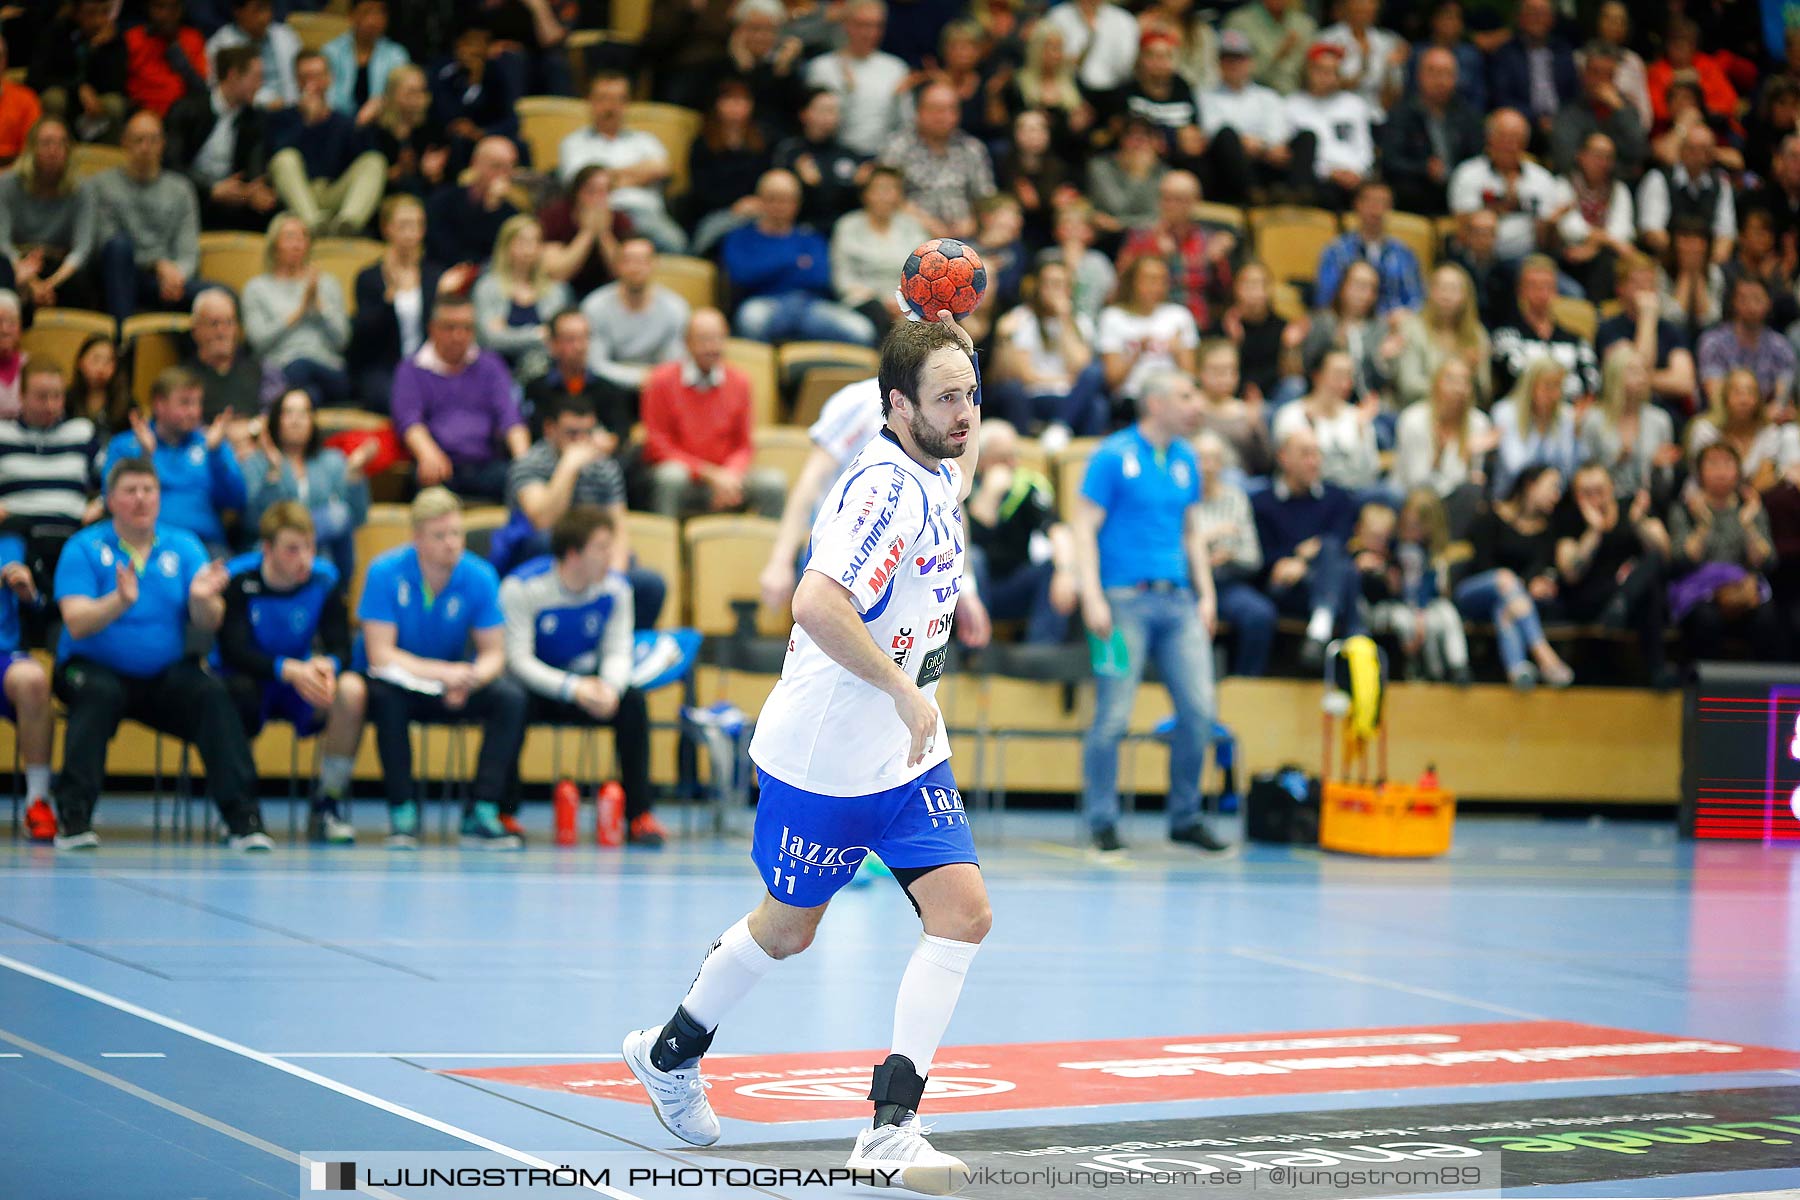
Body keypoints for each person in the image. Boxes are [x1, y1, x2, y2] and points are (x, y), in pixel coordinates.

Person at [623, 315, 991, 1192]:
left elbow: (962, 456)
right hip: (827, 759)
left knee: (965, 914)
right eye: (948, 397)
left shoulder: (937, 463)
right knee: (787, 932)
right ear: (896, 405)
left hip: (906, 759)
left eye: (971, 394)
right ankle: (669, 1054)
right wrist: (902, 688)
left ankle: (891, 1128)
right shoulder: (884, 490)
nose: (966, 412)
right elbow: (815, 600)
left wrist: (958, 338)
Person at [50, 458, 271, 851]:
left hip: (161, 674)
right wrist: (118, 601)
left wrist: (203, 600)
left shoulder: (183, 544)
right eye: (130, 491)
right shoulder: (84, 547)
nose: (141, 499)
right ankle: (73, 818)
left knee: (211, 694)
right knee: (99, 693)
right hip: (90, 668)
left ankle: (243, 820)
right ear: (110, 500)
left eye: (148, 490)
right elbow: (76, 623)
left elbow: (210, 621)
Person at [1071, 370, 1223, 855]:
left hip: (1178, 603)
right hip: (1122, 604)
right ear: (1155, 404)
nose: (1195, 404)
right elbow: (1082, 527)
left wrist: (1208, 593)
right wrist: (1092, 595)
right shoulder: (1113, 454)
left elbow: (1192, 531)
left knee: (1199, 713)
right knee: (1113, 716)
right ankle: (1102, 819)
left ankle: (1185, 816)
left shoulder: (1185, 459)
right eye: (1185, 394)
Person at [359, 486, 530, 849]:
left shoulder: (480, 575)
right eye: (440, 536)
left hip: (455, 685)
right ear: (417, 538)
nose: (451, 543)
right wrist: (442, 673)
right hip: (404, 683)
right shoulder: (385, 571)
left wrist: (471, 679)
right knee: (384, 699)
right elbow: (380, 654)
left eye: (456, 534)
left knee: (510, 698)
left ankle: (482, 810)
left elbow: (493, 654)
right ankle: (402, 811)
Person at [500, 504, 665, 846]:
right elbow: (517, 660)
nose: (613, 556)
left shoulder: (617, 589)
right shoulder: (522, 588)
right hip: (541, 686)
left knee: (632, 701)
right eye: (602, 548)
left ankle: (640, 816)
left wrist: (610, 689)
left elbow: (618, 650)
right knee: (509, 700)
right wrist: (571, 688)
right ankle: (505, 812)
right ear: (573, 554)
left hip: (590, 687)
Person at [218, 501, 367, 844]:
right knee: (229, 693)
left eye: (310, 547)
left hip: (300, 683)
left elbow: (341, 647)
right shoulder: (239, 578)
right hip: (251, 679)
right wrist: (287, 669)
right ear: (267, 549)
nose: (304, 558)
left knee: (352, 691)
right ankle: (239, 810)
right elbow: (234, 650)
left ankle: (327, 803)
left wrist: (327, 665)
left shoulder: (324, 578)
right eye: (292, 549)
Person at [502, 384, 664, 629]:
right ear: (550, 430)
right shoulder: (529, 464)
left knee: (650, 584)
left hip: (592, 565)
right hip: (540, 566)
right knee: (545, 540)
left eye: (587, 433)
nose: (580, 441)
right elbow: (543, 520)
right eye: (572, 433)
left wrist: (615, 579)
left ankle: (618, 652)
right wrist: (569, 467)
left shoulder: (604, 468)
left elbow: (617, 530)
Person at [641, 309, 785, 519]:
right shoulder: (661, 381)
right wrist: (709, 474)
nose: (711, 347)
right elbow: (657, 445)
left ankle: (773, 551)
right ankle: (666, 546)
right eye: (703, 340)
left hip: (726, 476)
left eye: (718, 339)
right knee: (670, 477)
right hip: (687, 479)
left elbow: (743, 444)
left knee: (773, 484)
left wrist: (730, 476)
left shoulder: (740, 382)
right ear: (687, 343)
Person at [391, 293, 529, 502]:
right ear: (432, 329)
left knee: (523, 484)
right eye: (450, 327)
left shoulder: (491, 365)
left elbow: (510, 417)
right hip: (440, 465)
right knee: (424, 481)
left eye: (466, 328)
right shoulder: (412, 369)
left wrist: (524, 465)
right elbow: (409, 420)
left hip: (486, 465)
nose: (459, 335)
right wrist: (427, 453)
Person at [1452, 464, 1575, 689]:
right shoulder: (1491, 515)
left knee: (1506, 608)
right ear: (1530, 485)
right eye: (1552, 487)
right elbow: (1482, 564)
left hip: (1512, 601)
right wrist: (1522, 584)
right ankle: (1543, 654)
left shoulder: (1548, 530)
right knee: (1504, 579)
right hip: (1472, 593)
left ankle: (1518, 671)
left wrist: (1541, 583)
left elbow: (1541, 569)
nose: (1556, 495)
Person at [1555, 461, 1675, 688]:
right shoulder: (1570, 518)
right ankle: (1657, 668)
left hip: (1630, 595)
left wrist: (1638, 523)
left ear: (1611, 488)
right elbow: (1570, 573)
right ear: (1576, 496)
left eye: (1599, 490)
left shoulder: (1631, 508)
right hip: (1590, 597)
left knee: (1652, 570)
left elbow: (1665, 555)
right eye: (1586, 493)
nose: (1595, 498)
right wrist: (1594, 531)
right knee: (1647, 592)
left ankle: (1623, 602)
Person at [721, 170, 876, 346]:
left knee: (861, 330)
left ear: (797, 204)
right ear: (760, 200)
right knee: (751, 320)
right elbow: (741, 274)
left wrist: (766, 267)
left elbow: (820, 277)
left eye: (787, 199)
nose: (780, 205)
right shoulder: (740, 237)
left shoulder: (811, 238)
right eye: (773, 198)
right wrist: (794, 262)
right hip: (764, 302)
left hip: (810, 306)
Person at [1252, 425, 1363, 668]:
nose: (1314, 462)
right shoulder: (1262, 502)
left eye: (1317, 454)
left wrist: (1303, 559)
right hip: (1286, 586)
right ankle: (1357, 640)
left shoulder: (1338, 498)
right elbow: (1262, 556)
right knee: (1345, 571)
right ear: (1283, 458)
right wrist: (1296, 559)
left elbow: (1341, 542)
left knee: (1335, 553)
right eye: (1305, 454)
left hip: (1322, 579)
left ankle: (1320, 628)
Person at [101, 368, 245, 555]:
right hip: (145, 543)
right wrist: (145, 456)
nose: (194, 411)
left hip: (205, 545)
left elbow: (237, 501)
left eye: (197, 403)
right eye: (185, 403)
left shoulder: (211, 443)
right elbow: (110, 499)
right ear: (159, 404)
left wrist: (215, 455)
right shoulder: (127, 444)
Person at [1668, 442, 1788, 662]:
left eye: (1727, 464)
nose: (1721, 471)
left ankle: (1758, 689)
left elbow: (1766, 561)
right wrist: (1703, 524)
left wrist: (1748, 525)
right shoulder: (1684, 509)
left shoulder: (1750, 508)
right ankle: (1703, 688)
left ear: (1738, 471)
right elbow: (1682, 559)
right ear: (1700, 472)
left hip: (1742, 590)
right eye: (1713, 464)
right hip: (1700, 591)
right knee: (1706, 620)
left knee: (1767, 617)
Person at [244, 387, 373, 581]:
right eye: (289, 413)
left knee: (335, 524)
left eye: (303, 413)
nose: (296, 420)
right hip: (270, 553)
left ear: (312, 421)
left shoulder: (332, 460)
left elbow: (357, 518)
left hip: (319, 555)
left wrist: (354, 475)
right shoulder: (257, 462)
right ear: (276, 420)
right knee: (334, 516)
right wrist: (273, 473)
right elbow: (252, 522)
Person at [966, 419, 1076, 646]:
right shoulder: (962, 486)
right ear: (982, 459)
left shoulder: (1025, 486)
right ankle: (974, 650)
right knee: (973, 559)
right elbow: (969, 541)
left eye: (1013, 456)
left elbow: (1058, 531)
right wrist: (990, 495)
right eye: (1003, 459)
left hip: (1013, 585)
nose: (1013, 464)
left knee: (1054, 567)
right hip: (968, 594)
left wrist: (1065, 571)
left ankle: (1040, 653)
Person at [89, 112, 205, 323]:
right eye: (138, 140)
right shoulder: (101, 186)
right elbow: (104, 242)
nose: (146, 147)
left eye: (153, 140)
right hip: (119, 277)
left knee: (222, 295)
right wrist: (155, 264)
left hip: (166, 281)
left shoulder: (181, 189)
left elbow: (189, 251)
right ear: (124, 143)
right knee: (119, 247)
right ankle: (125, 342)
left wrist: (176, 277)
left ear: (162, 144)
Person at [556, 72, 685, 253]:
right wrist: (639, 175)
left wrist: (606, 179)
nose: (610, 107)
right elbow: (578, 183)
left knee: (676, 243)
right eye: (603, 99)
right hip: (597, 215)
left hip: (645, 214)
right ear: (590, 102)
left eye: (618, 100)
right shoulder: (573, 143)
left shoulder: (646, 140)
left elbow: (661, 168)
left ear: (627, 104)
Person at [267, 50, 389, 237]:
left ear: (329, 78)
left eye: (318, 76)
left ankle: (348, 224)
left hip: (334, 193)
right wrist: (307, 123)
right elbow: (275, 159)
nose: (313, 83)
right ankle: (312, 225)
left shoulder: (343, 121)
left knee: (375, 161)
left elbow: (362, 158)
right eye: (306, 77)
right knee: (285, 159)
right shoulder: (282, 117)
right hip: (301, 196)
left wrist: (364, 126)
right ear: (297, 81)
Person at [987, 258, 1104, 442]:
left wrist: (1064, 320)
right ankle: (1059, 429)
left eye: (1061, 284)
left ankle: (1061, 428)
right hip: (1036, 396)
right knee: (1014, 391)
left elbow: (1082, 369)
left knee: (1097, 399)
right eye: (1050, 283)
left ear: (1069, 289)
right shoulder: (1023, 318)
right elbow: (1025, 376)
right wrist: (1064, 380)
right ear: (1038, 287)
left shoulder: (1080, 322)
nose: (1055, 290)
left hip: (1070, 396)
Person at [242, 214, 352, 409]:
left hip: (327, 370)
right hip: (281, 371)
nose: (297, 245)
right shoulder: (257, 288)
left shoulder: (326, 284)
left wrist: (318, 307)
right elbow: (258, 343)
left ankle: (291, 404)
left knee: (304, 368)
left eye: (303, 238)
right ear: (274, 245)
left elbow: (342, 340)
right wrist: (299, 311)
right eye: (290, 238)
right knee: (306, 385)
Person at [1361, 490, 1470, 684]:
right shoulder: (1393, 548)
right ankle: (1418, 668)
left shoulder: (1430, 554)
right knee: (1408, 621)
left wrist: (1420, 609)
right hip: (1397, 605)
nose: (1411, 531)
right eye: (1408, 524)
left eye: (1417, 526)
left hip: (1423, 605)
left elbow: (1428, 588)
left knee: (1446, 615)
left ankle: (1458, 666)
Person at [164, 45, 277, 233]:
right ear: (233, 75)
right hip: (192, 194)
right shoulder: (187, 109)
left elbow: (254, 165)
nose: (260, 85)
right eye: (256, 77)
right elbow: (172, 165)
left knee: (273, 211)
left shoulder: (254, 118)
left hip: (233, 199)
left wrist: (253, 191)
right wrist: (211, 190)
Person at [1194, 430, 1277, 676]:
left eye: (1213, 459)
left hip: (1227, 581)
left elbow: (1253, 557)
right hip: (1187, 585)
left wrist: (1230, 556)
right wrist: (1206, 542)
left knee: (1260, 614)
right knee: (1181, 619)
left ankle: (1245, 683)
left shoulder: (1236, 499)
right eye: (1201, 459)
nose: (1207, 467)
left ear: (1222, 464)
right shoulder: (1177, 499)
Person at [348, 194, 440, 414]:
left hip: (427, 364)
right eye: (403, 225)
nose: (410, 233)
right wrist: (388, 299)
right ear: (387, 228)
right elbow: (363, 339)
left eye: (416, 225)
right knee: (400, 400)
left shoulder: (434, 276)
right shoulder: (369, 278)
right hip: (384, 367)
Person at [579, 237, 690, 410]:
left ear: (654, 264)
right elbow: (595, 364)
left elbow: (674, 363)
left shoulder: (675, 308)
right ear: (617, 265)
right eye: (628, 261)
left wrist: (653, 380)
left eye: (642, 261)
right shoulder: (595, 306)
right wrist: (641, 378)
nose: (635, 268)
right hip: (609, 389)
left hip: (659, 389)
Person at [1118, 171, 1236, 331]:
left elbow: (1226, 292)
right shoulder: (1141, 238)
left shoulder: (1209, 240)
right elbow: (1121, 288)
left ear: (1195, 202)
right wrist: (1159, 256)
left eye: (1178, 199)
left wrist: (1217, 263)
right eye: (1165, 198)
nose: (1170, 205)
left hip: (1199, 327)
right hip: (1149, 328)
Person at [0, 360, 103, 543]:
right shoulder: (3, 434)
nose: (50, 405)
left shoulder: (82, 432)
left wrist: (101, 504)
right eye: (41, 397)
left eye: (57, 396)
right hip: (14, 534)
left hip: (71, 534)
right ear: (21, 395)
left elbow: (116, 479)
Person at [0, 118, 96, 309]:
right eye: (47, 143)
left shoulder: (82, 188)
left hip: (61, 267)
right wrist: (29, 280)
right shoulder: (7, 184)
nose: (54, 150)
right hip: (18, 261)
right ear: (31, 148)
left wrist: (48, 285)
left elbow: (83, 248)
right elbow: (2, 242)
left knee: (85, 280)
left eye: (61, 143)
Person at [1448, 109, 1564, 265]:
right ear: (1489, 139)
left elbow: (1546, 241)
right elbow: (1463, 229)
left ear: (1525, 143)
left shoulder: (1542, 179)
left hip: (1528, 262)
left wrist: (1550, 226)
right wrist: (1505, 205)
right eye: (1503, 137)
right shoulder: (1468, 173)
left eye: (1517, 138)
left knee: (1571, 289)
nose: (1510, 145)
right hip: (1480, 260)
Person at [1380, 45, 1483, 218]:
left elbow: (1477, 158)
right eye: (1433, 73)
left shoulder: (1468, 116)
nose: (1440, 80)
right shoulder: (1401, 113)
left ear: (1456, 78)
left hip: (1459, 189)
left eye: (1446, 73)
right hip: (1416, 191)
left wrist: (1458, 175)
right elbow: (1390, 160)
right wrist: (1423, 168)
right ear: (1420, 76)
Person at [801, 0, 909, 159]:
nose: (869, 33)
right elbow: (815, 129)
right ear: (846, 25)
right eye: (862, 25)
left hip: (883, 160)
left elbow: (906, 126)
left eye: (876, 26)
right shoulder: (822, 68)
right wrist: (847, 93)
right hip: (831, 158)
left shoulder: (896, 69)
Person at [831, 167, 928, 342]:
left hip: (906, 303)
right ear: (865, 194)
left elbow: (924, 273)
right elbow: (843, 279)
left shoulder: (912, 227)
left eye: (892, 189)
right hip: (862, 302)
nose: (885, 196)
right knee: (878, 316)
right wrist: (880, 299)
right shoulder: (847, 226)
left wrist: (904, 302)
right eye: (879, 189)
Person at [1595, 254, 1697, 422]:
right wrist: (1647, 319)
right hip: (1622, 412)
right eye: (1636, 283)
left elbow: (1684, 383)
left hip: (1668, 413)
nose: (1644, 288)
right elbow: (1633, 373)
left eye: (1650, 282)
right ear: (1620, 288)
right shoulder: (1609, 329)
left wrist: (1639, 378)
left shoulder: (1671, 330)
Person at [0, 521, 53, 841]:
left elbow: (46, 610)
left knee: (33, 680)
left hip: (4, 656)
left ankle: (38, 801)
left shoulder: (14, 545)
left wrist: (28, 593)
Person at [1199, 30, 1295, 205]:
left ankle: (1298, 196)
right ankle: (1253, 193)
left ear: (1250, 62)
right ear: (1219, 63)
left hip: (1266, 163)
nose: (1233, 64)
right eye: (1228, 59)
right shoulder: (1205, 96)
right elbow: (1212, 132)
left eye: (1239, 58)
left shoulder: (1268, 96)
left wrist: (1258, 146)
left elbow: (1278, 135)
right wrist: (1250, 144)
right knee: (1226, 135)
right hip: (1227, 170)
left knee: (1306, 137)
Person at [471, 214, 570, 383]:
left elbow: (557, 342)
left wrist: (508, 333)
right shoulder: (487, 288)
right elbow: (490, 340)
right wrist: (538, 334)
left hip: (544, 376)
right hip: (495, 377)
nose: (529, 249)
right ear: (506, 246)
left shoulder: (555, 291)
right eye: (522, 242)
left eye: (535, 242)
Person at [1491, 256, 1602, 403]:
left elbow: (1592, 381)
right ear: (1520, 290)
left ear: (1556, 291)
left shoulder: (1576, 339)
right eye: (1534, 286)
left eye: (1547, 286)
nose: (1542, 293)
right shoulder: (1505, 336)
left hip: (1570, 416)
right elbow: (1517, 378)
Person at [1273, 349, 1382, 496]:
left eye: (1349, 376)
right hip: (1309, 496)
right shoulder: (1291, 415)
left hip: (1352, 495)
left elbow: (1370, 474)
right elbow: (1287, 470)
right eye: (1338, 375)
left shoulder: (1357, 417)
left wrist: (1361, 432)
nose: (1345, 383)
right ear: (1317, 375)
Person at [1282, 41, 1376, 210]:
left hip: (1354, 180)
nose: (1327, 76)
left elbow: (1365, 148)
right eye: (1321, 70)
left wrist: (1357, 172)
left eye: (1333, 71)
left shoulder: (1354, 104)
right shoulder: (1291, 105)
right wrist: (1329, 172)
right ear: (1308, 71)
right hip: (1316, 181)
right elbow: (1294, 157)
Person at [685, 78, 774, 256]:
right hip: (714, 212)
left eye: (742, 101)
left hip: (755, 209)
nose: (736, 107)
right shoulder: (703, 143)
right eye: (730, 100)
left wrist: (757, 201)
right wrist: (735, 206)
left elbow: (767, 178)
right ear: (718, 104)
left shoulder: (763, 141)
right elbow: (701, 188)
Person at [1390, 358, 1495, 508]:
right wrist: (1439, 457)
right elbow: (1415, 483)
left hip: (1457, 501)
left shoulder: (1479, 423)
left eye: (1465, 381)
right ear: (1435, 384)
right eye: (1451, 380)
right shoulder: (1413, 419)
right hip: (1410, 500)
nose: (1458, 388)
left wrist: (1472, 460)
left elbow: (1473, 480)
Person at [1583, 342, 1680, 503]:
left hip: (1648, 505)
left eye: (1644, 371)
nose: (1642, 377)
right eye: (1634, 371)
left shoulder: (1660, 420)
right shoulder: (1593, 420)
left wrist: (1656, 468)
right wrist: (1615, 461)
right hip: (1603, 505)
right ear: (1615, 376)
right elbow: (1583, 477)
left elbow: (1665, 486)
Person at [1098, 256, 1198, 411]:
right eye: (1150, 280)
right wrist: (1137, 352)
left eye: (1162, 280)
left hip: (1172, 398)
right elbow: (1112, 380)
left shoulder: (1180, 316)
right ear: (1133, 282)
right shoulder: (1113, 317)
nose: (1157, 286)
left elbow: (1191, 377)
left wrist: (1178, 351)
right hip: (1131, 397)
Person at [1392, 263, 1491, 412]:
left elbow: (1485, 392)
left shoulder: (1477, 334)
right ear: (1430, 292)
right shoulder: (1412, 328)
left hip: (1463, 414)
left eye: (1454, 289)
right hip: (1420, 409)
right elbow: (1408, 384)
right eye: (1441, 288)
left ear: (1466, 296)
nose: (1447, 295)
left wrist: (1474, 373)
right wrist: (1450, 390)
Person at [1315, 181, 1422, 317]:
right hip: (1347, 326)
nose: (1376, 210)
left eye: (1383, 203)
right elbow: (1325, 299)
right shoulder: (1335, 251)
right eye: (1370, 202)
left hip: (1393, 329)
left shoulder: (1404, 254)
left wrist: (1402, 316)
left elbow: (1416, 301)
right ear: (1357, 205)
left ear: (1390, 209)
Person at [30, 0, 129, 145]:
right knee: (54, 99)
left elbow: (117, 84)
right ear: (76, 14)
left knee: (115, 104)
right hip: (67, 98)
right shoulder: (57, 32)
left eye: (104, 13)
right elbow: (35, 78)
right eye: (91, 13)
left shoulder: (114, 41)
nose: (98, 20)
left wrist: (96, 49)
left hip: (97, 103)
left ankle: (108, 156)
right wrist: (77, 88)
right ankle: (56, 147)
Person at [185, 286, 283, 430]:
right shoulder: (184, 378)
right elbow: (180, 426)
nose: (222, 332)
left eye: (229, 323)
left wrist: (251, 429)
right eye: (214, 323)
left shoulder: (263, 370)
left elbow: (277, 415)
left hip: (255, 447)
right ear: (195, 329)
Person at [1687, 367, 1800, 492]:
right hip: (1704, 496)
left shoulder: (1768, 432)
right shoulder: (1705, 430)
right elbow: (1702, 477)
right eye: (1737, 393)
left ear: (1759, 399)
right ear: (1725, 397)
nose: (1744, 400)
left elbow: (1761, 482)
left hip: (1750, 498)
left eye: (1750, 393)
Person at [1639, 123, 1738, 264]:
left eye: (1705, 150)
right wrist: (1684, 258)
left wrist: (1705, 264)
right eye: (1693, 149)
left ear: (1712, 154)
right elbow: (1652, 231)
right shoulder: (1658, 178)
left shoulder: (1721, 185)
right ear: (1681, 150)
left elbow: (1726, 235)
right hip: (1665, 261)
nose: (1698, 155)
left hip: (1707, 265)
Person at [773, 88, 868, 232]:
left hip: (843, 232)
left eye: (833, 111)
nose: (829, 117)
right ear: (804, 114)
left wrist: (860, 187)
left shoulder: (850, 155)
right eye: (823, 110)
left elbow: (854, 206)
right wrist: (802, 184)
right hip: (799, 231)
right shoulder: (791, 152)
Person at [1550, 42, 1647, 182]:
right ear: (1584, 75)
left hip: (1620, 187)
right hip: (1576, 187)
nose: (1601, 81)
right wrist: (1621, 169)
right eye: (1595, 72)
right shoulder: (1569, 111)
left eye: (1608, 75)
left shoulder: (1626, 110)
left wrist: (1620, 110)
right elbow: (1565, 159)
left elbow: (1640, 153)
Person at [1487, 0, 1577, 145]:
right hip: (1522, 122)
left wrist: (1559, 120)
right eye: (1532, 13)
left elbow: (1574, 95)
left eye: (1542, 14)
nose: (1537, 19)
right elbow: (1501, 97)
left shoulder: (1563, 51)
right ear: (1520, 18)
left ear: (1552, 19)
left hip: (1561, 123)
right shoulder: (1505, 54)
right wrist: (1536, 119)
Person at [1697, 275, 1795, 408]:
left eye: (1757, 299)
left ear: (1769, 303)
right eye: (1743, 299)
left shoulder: (1781, 346)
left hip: (1767, 419)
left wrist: (1771, 413)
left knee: (1790, 429)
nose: (1751, 306)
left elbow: (1781, 401)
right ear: (1733, 303)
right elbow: (1716, 399)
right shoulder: (1713, 342)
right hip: (1722, 419)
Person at [425, 135, 519, 269]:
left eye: (509, 168)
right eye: (496, 166)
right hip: (445, 273)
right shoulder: (443, 201)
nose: (503, 175)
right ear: (476, 163)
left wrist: (491, 209)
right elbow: (442, 250)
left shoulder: (511, 212)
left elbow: (501, 257)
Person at [358, 64, 449, 201]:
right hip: (382, 198)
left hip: (425, 197)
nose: (419, 99)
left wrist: (433, 174)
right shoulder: (374, 130)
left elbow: (447, 178)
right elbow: (364, 177)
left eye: (422, 91)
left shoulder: (433, 128)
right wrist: (391, 174)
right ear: (392, 94)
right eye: (411, 92)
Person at [538, 164, 628, 299]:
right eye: (592, 191)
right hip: (566, 288)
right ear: (577, 193)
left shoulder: (620, 220)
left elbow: (623, 272)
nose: (599, 199)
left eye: (605, 192)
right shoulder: (554, 217)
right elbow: (557, 273)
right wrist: (587, 233)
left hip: (606, 290)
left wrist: (604, 234)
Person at [1193, 339, 1271, 478]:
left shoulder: (1246, 412)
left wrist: (1255, 428)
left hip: (1240, 483)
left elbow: (1265, 464)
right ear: (1199, 371)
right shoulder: (1190, 410)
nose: (1225, 377)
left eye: (1231, 370)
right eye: (1217, 370)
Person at [1316, 0, 1406, 119]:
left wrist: (1390, 69)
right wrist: (1362, 71)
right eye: (1358, 6)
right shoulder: (1329, 39)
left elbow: (1395, 93)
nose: (1363, 9)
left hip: (1377, 115)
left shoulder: (1387, 42)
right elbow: (1321, 84)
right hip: (1336, 113)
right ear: (1346, 7)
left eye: (1369, 5)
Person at [322, 0, 411, 118]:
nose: (373, 20)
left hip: (382, 122)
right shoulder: (331, 51)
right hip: (338, 121)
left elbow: (399, 95)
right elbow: (328, 95)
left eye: (379, 13)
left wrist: (378, 107)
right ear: (351, 16)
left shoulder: (396, 55)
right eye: (367, 12)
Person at [205, 0, 300, 109]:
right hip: (246, 114)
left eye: (268, 9)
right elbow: (219, 91)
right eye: (258, 10)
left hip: (291, 109)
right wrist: (266, 101)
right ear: (239, 12)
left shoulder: (286, 36)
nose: (266, 16)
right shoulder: (220, 45)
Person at [125, 0, 210, 119]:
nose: (166, 14)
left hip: (181, 115)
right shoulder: (132, 38)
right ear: (148, 9)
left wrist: (173, 46)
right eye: (159, 7)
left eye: (173, 7)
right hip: (140, 113)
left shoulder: (193, 38)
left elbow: (201, 88)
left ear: (181, 10)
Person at [1223, 0, 1316, 96]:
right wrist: (1278, 55)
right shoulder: (1239, 22)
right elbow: (1231, 69)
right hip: (1248, 98)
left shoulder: (1304, 24)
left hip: (1298, 98)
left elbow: (1314, 71)